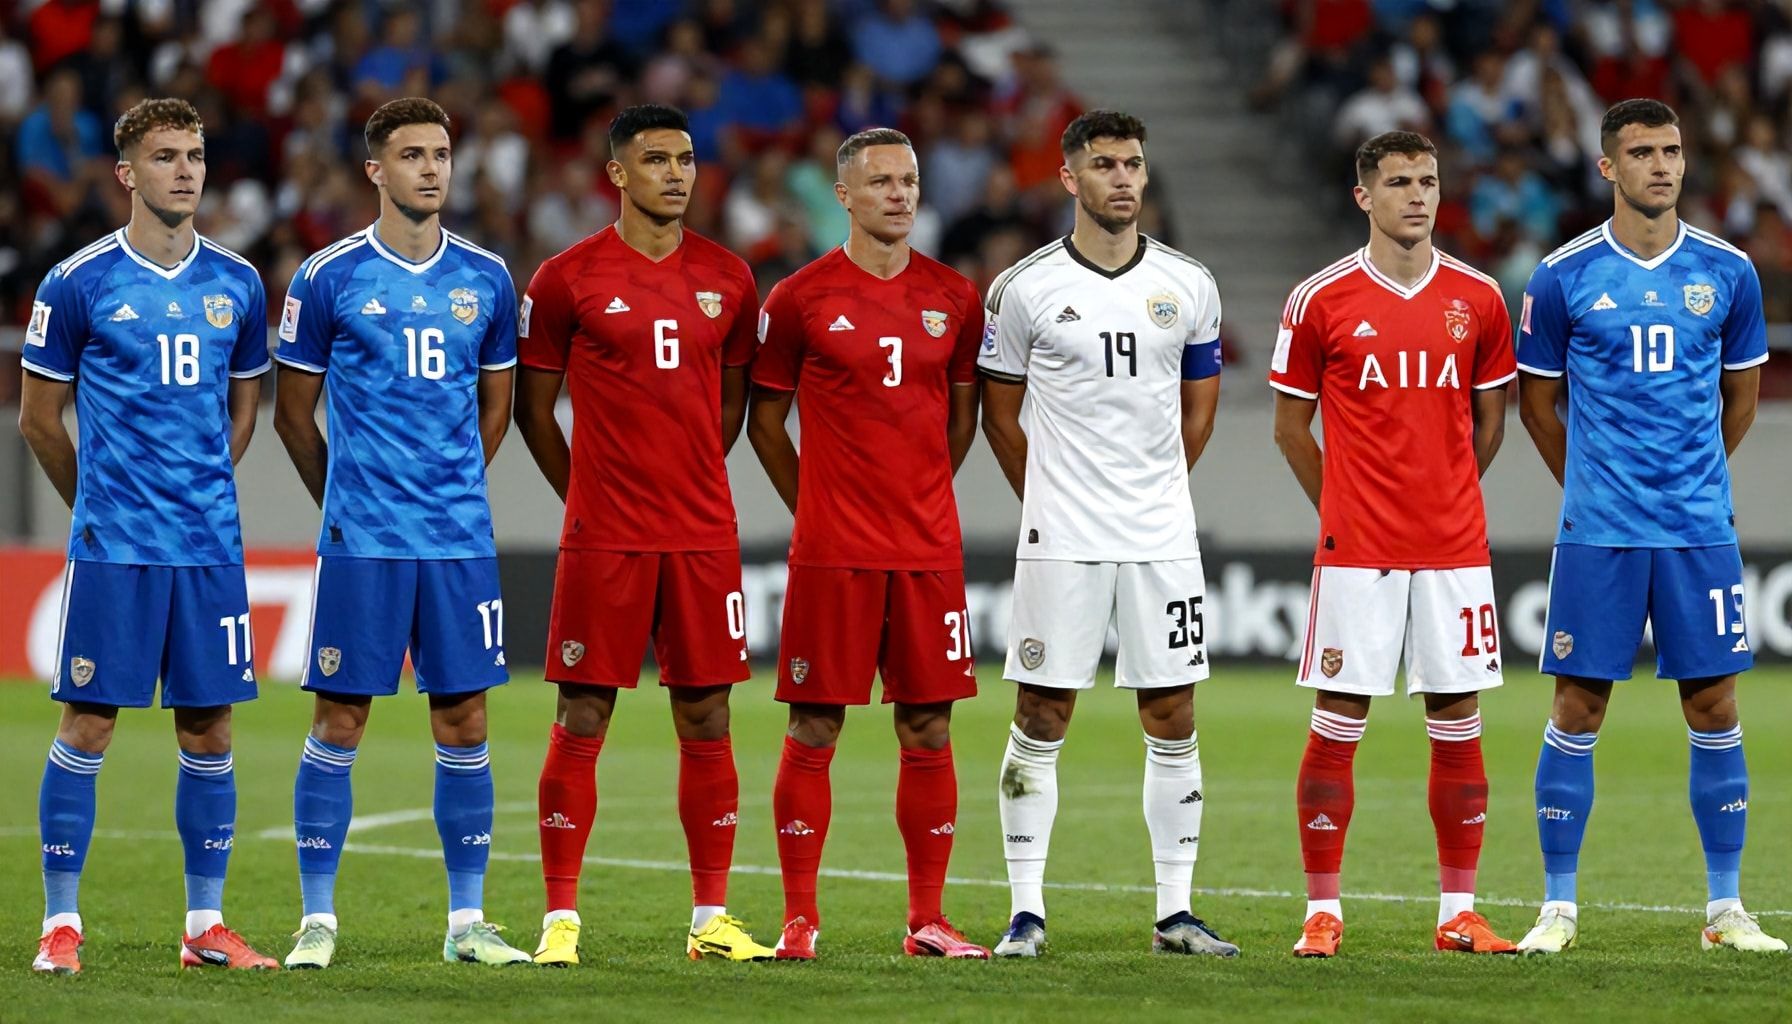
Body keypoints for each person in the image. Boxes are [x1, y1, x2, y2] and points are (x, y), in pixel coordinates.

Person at [1512, 98, 1782, 955]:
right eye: (1642, 153)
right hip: (1600, 532)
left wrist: (1694, 475)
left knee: (1714, 704)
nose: (1662, 166)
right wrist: (1594, 482)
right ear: (1608, 168)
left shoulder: (1730, 273)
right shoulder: (1563, 276)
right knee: (1578, 704)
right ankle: (1558, 907)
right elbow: (1537, 403)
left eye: (1671, 150)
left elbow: (1740, 397)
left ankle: (1727, 910)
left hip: (1699, 528)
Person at [21, 97, 276, 974]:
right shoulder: (79, 281)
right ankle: (62, 926)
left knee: (210, 732)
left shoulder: (239, 283)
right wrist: (98, 497)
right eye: (166, 157)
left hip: (207, 548)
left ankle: (204, 926)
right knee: (88, 723)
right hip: (117, 548)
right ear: (127, 173)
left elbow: (245, 406)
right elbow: (39, 420)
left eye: (196, 156)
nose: (186, 171)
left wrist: (202, 480)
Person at [272, 97, 527, 969]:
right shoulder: (328, 276)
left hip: (457, 541)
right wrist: (344, 498)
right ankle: (316, 921)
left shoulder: (489, 278)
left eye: (442, 153)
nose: (432, 168)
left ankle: (467, 925)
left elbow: (496, 408)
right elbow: (293, 417)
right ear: (375, 170)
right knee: (340, 719)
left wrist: (449, 482)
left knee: (465, 722)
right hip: (364, 541)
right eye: (412, 154)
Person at [514, 104, 772, 966]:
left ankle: (711, 918)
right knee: (583, 710)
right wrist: (588, 491)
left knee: (708, 714)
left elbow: (731, 406)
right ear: (617, 174)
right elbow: (534, 409)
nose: (677, 173)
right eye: (655, 159)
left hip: (702, 532)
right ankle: (560, 921)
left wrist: (688, 473)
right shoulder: (566, 277)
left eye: (686, 159)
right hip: (606, 534)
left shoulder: (731, 278)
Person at [978, 109, 1234, 959]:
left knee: (1173, 710)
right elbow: (999, 413)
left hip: (1162, 533)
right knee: (1042, 711)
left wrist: (1159, 484)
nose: (1122, 178)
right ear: (1069, 179)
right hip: (1062, 535)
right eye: (1104, 165)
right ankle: (1025, 913)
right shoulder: (1025, 287)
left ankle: (1175, 912)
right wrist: (1049, 494)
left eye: (1132, 163)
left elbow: (1200, 403)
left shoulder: (1190, 283)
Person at [1269, 130, 1518, 959]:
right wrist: (1343, 504)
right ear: (1363, 196)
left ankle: (1458, 910)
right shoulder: (1321, 299)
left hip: (1453, 547)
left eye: (1429, 181)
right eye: (1400, 181)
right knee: (1340, 716)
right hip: (1357, 549)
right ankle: (1322, 912)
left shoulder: (1478, 297)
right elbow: (1290, 426)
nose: (1418, 195)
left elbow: (1490, 423)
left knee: (1458, 716)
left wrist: (1444, 492)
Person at [746, 127, 988, 961]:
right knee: (815, 727)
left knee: (929, 728)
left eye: (910, 179)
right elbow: (765, 422)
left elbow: (963, 419)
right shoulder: (798, 298)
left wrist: (919, 490)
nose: (899, 193)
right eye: (880, 181)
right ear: (842, 195)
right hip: (833, 551)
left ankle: (927, 918)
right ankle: (800, 918)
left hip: (925, 548)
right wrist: (817, 501)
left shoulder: (957, 296)